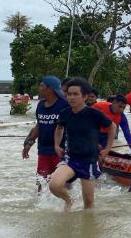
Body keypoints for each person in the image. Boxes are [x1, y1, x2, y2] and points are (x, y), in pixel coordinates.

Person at [49, 78, 116, 212]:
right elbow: (59, 128)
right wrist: (57, 145)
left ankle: (88, 229)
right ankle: (69, 200)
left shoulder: (93, 113)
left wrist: (107, 148)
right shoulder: (65, 113)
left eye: (75, 94)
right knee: (54, 185)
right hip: (71, 158)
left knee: (89, 201)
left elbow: (112, 126)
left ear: (85, 97)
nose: (71, 97)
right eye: (69, 94)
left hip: (89, 161)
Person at [22, 75, 70, 192]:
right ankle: (40, 206)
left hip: (61, 150)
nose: (39, 88)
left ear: (50, 89)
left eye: (42, 86)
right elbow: (39, 125)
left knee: (61, 183)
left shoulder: (65, 105)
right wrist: (29, 142)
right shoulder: (40, 105)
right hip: (43, 150)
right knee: (42, 182)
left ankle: (67, 205)